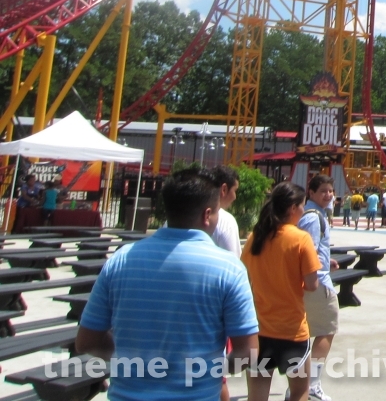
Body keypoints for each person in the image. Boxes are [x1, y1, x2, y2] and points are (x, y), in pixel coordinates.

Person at [76, 167, 258, 400]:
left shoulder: (121, 260)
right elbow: (248, 353)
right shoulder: (229, 269)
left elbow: (86, 341)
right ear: (207, 214)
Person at [241, 182, 322, 401]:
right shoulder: (300, 238)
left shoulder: (254, 238)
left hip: (259, 330)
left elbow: (245, 276)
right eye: (302, 206)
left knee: (256, 396)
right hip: (291, 330)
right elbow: (312, 284)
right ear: (292, 208)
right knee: (299, 391)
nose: (303, 212)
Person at [297, 176, 341, 401]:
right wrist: (318, 270)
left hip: (317, 276)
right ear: (311, 192)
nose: (329, 195)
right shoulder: (314, 217)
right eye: (323, 190)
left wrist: (327, 261)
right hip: (318, 283)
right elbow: (308, 250)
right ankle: (310, 384)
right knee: (326, 330)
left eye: (331, 190)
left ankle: (301, 385)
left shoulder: (314, 214)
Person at [211, 165, 242, 257]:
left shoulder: (177, 217)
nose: (235, 197)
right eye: (235, 190)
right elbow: (234, 264)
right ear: (224, 189)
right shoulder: (226, 221)